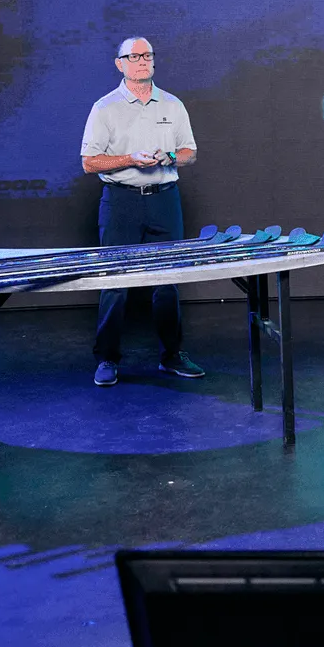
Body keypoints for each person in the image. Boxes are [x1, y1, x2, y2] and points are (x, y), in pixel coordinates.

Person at [79, 36, 204, 387]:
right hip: (121, 202)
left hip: (165, 199)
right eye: (133, 56)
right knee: (115, 282)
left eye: (147, 55)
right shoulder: (104, 108)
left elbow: (189, 152)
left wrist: (169, 158)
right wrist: (130, 159)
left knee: (167, 280)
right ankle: (106, 358)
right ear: (120, 64)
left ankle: (172, 355)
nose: (142, 61)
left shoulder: (173, 105)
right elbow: (90, 162)